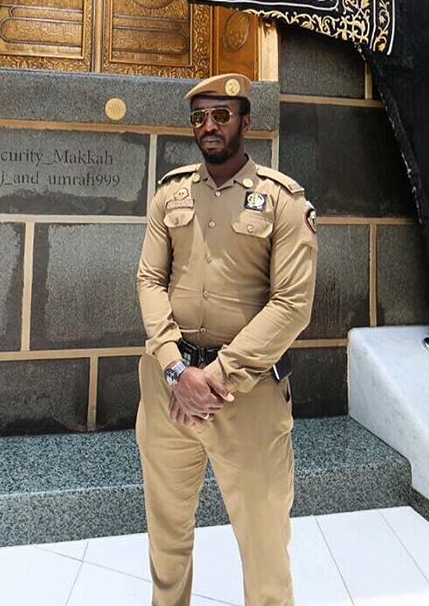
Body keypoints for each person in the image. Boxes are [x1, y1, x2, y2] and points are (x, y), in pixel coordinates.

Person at [136, 73, 318, 606]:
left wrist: (211, 378)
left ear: (245, 121)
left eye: (220, 115)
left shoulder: (283, 201)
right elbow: (149, 279)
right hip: (168, 391)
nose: (208, 126)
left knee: (264, 547)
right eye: (199, 117)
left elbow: (291, 305)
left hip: (245, 396)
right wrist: (175, 368)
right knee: (166, 537)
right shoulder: (171, 193)